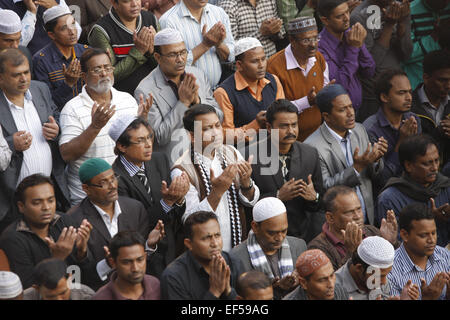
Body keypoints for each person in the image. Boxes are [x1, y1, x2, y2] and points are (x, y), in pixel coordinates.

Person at [59, 48, 149, 205]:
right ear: (84, 76)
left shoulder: (127, 100)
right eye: (97, 69)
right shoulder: (72, 108)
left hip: (127, 194)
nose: (104, 73)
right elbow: (67, 154)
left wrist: (143, 121)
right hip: (90, 200)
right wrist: (95, 127)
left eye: (107, 68)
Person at [171, 104, 260, 252]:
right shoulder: (182, 170)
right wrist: (217, 192)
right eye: (207, 129)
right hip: (205, 249)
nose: (215, 133)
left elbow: (250, 201)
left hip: (237, 243)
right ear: (192, 136)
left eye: (217, 126)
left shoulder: (231, 152)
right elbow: (190, 219)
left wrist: (246, 184)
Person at [0, 48, 70, 234]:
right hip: (11, 201)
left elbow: (56, 115)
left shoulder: (40, 89)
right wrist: (10, 144)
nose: (24, 79)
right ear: (1, 78)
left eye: (26, 72)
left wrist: (56, 130)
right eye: (16, 75)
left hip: (48, 194)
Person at [68, 158, 165, 290]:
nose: (113, 185)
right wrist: (83, 253)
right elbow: (80, 275)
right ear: (86, 188)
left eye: (113, 178)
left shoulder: (135, 209)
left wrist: (149, 245)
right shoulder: (74, 220)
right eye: (103, 183)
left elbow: (142, 260)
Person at [109, 115, 190, 272]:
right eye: (140, 141)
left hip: (171, 247)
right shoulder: (115, 178)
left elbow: (175, 210)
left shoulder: (159, 159)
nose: (148, 145)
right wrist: (167, 203)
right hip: (143, 255)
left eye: (149, 138)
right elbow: (136, 223)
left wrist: (178, 198)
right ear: (121, 146)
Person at [134, 28, 221, 165]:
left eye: (183, 52)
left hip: (209, 156)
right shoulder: (145, 90)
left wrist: (197, 101)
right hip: (177, 162)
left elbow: (220, 116)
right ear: (158, 57)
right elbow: (159, 138)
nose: (180, 59)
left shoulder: (197, 75)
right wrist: (183, 103)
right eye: (173, 55)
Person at [304, 84, 387, 225]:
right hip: (337, 225)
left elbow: (374, 176)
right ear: (327, 116)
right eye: (342, 110)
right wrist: (356, 168)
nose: (351, 113)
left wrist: (376, 160)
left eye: (351, 106)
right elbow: (324, 189)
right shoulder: (312, 146)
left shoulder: (359, 130)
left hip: (367, 219)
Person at [250, 99, 325, 242]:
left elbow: (322, 201)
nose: (291, 131)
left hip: (303, 238)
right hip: (265, 239)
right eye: (284, 126)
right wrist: (277, 196)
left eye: (294, 125)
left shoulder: (310, 154)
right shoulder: (250, 156)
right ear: (269, 127)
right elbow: (246, 204)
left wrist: (313, 197)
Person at [0, 174, 92, 289]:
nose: (46, 207)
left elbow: (89, 277)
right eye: (37, 203)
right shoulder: (12, 239)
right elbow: (29, 289)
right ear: (21, 206)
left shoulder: (64, 221)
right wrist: (57, 258)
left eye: (50, 200)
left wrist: (82, 252)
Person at [377, 134, 450, 247]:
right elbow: (394, 244)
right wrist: (430, 220)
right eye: (427, 163)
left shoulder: (446, 187)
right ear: (408, 165)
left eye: (436, 161)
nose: (435, 168)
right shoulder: (389, 199)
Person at [267, 16, 330, 141]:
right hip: (288, 140)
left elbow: (324, 86)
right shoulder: (273, 66)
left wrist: (328, 93)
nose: (313, 45)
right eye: (306, 40)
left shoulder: (318, 58)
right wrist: (307, 101)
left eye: (315, 38)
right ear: (292, 41)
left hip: (318, 134)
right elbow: (274, 110)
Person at [231, 197, 306, 299]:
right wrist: (275, 288)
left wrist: (300, 282)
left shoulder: (299, 246)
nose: (279, 238)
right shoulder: (236, 258)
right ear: (255, 227)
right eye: (272, 233)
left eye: (284, 231)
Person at [308, 185, 399, 271]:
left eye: (359, 209)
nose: (358, 216)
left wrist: (390, 243)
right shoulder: (317, 248)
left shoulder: (371, 231)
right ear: (330, 217)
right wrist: (351, 253)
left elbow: (393, 269)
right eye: (349, 212)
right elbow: (334, 284)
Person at [350, 0, 412, 121]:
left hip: (397, 90)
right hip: (373, 94)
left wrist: (401, 24)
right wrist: (389, 26)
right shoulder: (359, 16)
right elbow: (371, 65)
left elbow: (406, 55)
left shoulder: (399, 9)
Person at [214, 37, 285, 142]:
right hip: (243, 153)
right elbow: (225, 136)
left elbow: (283, 114)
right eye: (255, 61)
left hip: (273, 147)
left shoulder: (273, 81)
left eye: (263, 59)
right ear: (239, 65)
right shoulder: (223, 93)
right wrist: (255, 125)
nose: (261, 65)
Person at [363, 70, 421, 194]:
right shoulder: (370, 130)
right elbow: (382, 179)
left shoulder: (412, 119)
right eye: (401, 93)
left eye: (409, 92)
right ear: (384, 97)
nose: (409, 98)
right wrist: (402, 142)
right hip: (386, 194)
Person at [160, 211, 242, 299]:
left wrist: (228, 291)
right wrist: (214, 292)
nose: (215, 243)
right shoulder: (174, 276)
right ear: (189, 244)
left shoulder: (233, 262)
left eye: (217, 235)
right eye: (206, 238)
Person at [159, 0, 235, 88]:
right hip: (187, 93)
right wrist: (205, 45)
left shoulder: (218, 13)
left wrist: (219, 45)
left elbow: (232, 56)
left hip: (217, 89)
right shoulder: (169, 20)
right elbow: (173, 65)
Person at [317, 0, 375, 114]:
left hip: (359, 108)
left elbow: (369, 71)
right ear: (325, 20)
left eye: (347, 12)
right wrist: (353, 48)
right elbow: (339, 86)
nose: (347, 18)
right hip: (338, 114)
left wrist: (360, 45)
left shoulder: (350, 34)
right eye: (339, 16)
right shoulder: (319, 48)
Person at [88, 0, 158, 95]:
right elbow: (108, 76)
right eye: (127, 1)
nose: (135, 4)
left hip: (156, 92)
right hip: (123, 98)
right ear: (114, 3)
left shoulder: (151, 19)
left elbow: (165, 65)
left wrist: (152, 52)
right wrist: (138, 51)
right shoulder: (101, 31)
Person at [388, 203, 450, 300]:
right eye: (423, 235)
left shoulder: (445, 256)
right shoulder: (390, 271)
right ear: (405, 235)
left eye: (433, 233)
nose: (432, 240)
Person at [33, 5, 89, 110]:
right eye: (64, 28)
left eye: (73, 24)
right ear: (51, 35)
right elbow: (47, 103)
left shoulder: (87, 52)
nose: (72, 31)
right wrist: (68, 84)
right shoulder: (41, 61)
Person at [335, 235, 420, 300]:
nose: (384, 282)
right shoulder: (334, 290)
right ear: (359, 268)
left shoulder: (381, 282)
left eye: (386, 274)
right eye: (379, 276)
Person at [93, 231, 161, 300]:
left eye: (140, 260)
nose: (135, 268)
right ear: (113, 262)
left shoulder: (155, 286)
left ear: (145, 257)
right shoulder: (101, 297)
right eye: (127, 262)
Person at [412, 50, 450, 169]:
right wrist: (438, 133)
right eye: (442, 80)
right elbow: (411, 151)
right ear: (426, 78)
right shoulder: (410, 107)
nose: (448, 85)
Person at [0, 0, 82, 55]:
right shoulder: (3, 4)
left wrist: (56, 8)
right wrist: (31, 12)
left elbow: (76, 33)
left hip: (62, 58)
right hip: (29, 63)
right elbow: (16, 45)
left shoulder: (54, 1)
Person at [402, 0, 450, 91]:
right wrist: (433, 38)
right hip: (418, 83)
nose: (445, 3)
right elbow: (405, 55)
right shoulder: (410, 12)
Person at [218, 0, 285, 59]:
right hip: (243, 70)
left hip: (270, 65)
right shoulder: (228, 5)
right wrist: (260, 33)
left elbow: (281, 34)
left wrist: (276, 30)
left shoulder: (270, 1)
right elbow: (228, 48)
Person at [283, 249, 349, 300]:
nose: (331, 285)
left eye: (332, 275)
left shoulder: (339, 292)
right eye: (322, 280)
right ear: (304, 283)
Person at [23, 258, 95, 300]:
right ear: (37, 288)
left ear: (70, 278)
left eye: (63, 293)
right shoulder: (24, 298)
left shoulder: (85, 296)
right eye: (50, 296)